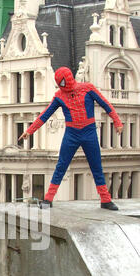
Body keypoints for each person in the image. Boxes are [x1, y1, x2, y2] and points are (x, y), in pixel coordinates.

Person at [19, 66, 123, 210]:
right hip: (72, 133)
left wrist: (117, 121)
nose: (62, 87)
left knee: (96, 166)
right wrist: (30, 130)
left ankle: (105, 199)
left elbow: (106, 105)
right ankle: (48, 198)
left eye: (62, 83)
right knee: (61, 165)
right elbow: (45, 114)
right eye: (60, 84)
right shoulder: (60, 96)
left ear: (67, 80)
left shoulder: (87, 88)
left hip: (88, 131)